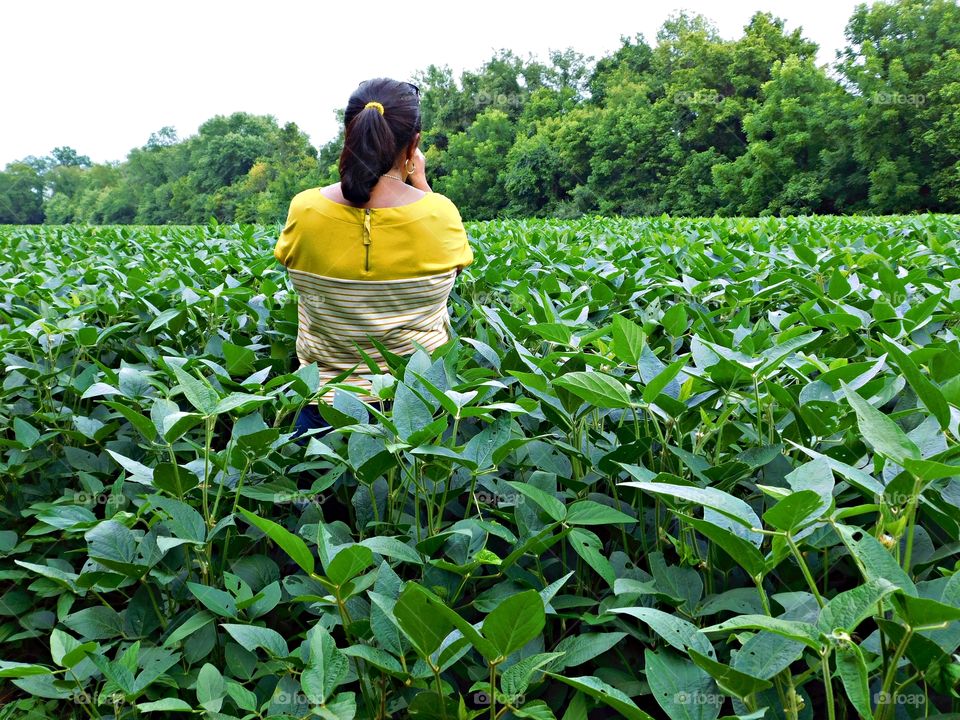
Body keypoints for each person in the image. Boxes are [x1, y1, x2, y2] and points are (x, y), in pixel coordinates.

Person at [273, 77, 474, 445]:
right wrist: (420, 182)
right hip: (418, 406)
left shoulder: (305, 209)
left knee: (319, 501)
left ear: (350, 134)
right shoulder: (440, 213)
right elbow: (455, 266)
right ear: (413, 145)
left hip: (324, 407)